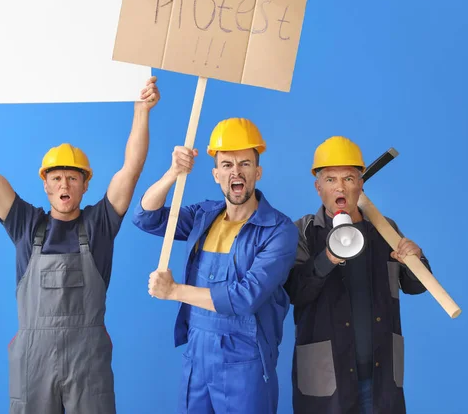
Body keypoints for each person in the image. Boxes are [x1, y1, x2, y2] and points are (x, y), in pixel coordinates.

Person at [0, 77, 161, 414]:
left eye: (73, 177)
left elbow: (131, 169)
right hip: (34, 361)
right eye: (56, 178)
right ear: (45, 184)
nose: (64, 185)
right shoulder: (25, 224)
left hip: (88, 360)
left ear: (86, 184)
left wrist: (142, 112)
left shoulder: (99, 225)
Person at [132, 117, 298, 414]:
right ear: (215, 174)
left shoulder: (278, 230)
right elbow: (146, 216)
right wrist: (173, 173)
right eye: (227, 164)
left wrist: (174, 291)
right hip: (197, 356)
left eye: (245, 164)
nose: (236, 171)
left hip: (245, 362)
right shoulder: (203, 217)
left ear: (258, 172)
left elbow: (245, 297)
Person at [284, 136, 432, 414]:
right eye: (330, 180)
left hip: (380, 378)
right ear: (318, 187)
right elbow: (295, 293)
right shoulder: (303, 231)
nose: (340, 187)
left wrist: (416, 258)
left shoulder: (384, 228)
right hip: (328, 383)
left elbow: (415, 286)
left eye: (349, 178)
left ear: (361, 184)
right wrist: (327, 258)